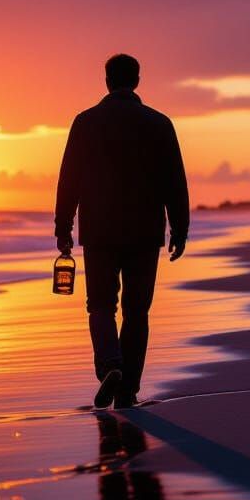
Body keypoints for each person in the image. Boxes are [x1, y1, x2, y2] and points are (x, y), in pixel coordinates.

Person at [54, 53, 189, 410]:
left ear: (107, 81)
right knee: (136, 311)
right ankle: (127, 390)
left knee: (100, 305)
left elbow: (69, 179)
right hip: (145, 230)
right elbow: (174, 180)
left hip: (99, 231)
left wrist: (63, 227)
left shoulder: (85, 122)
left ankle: (110, 364)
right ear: (137, 80)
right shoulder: (159, 123)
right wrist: (180, 228)